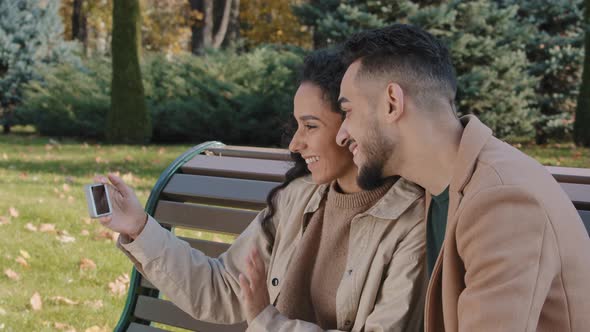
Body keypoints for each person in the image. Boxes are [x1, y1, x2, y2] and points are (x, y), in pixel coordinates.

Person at [96, 48, 427, 331]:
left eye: (311, 126)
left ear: (357, 123)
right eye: (297, 125)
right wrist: (139, 228)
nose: (296, 144)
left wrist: (267, 321)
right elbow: (223, 289)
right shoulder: (298, 197)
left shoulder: (411, 222)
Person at [335, 23, 590, 332]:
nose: (341, 134)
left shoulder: (502, 201)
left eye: (347, 111)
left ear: (392, 102)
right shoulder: (439, 183)